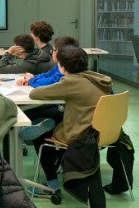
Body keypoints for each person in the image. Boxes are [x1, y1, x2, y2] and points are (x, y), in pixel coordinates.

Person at [28, 45, 112, 194]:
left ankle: (51, 185)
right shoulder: (97, 77)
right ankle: (60, 162)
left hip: (82, 135)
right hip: (106, 132)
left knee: (40, 136)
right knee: (53, 117)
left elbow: (35, 94)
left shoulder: (70, 82)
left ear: (62, 66)